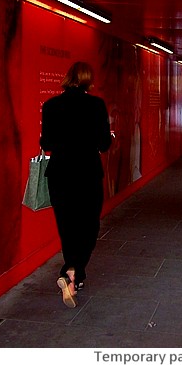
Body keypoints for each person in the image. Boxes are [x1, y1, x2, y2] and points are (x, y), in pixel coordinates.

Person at [40, 61, 113, 308]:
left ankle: (72, 277)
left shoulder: (50, 106)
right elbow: (104, 144)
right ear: (87, 80)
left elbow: (46, 142)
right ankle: (73, 271)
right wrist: (106, 137)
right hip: (87, 173)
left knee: (67, 227)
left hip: (60, 174)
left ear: (67, 77)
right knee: (89, 226)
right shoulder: (96, 105)